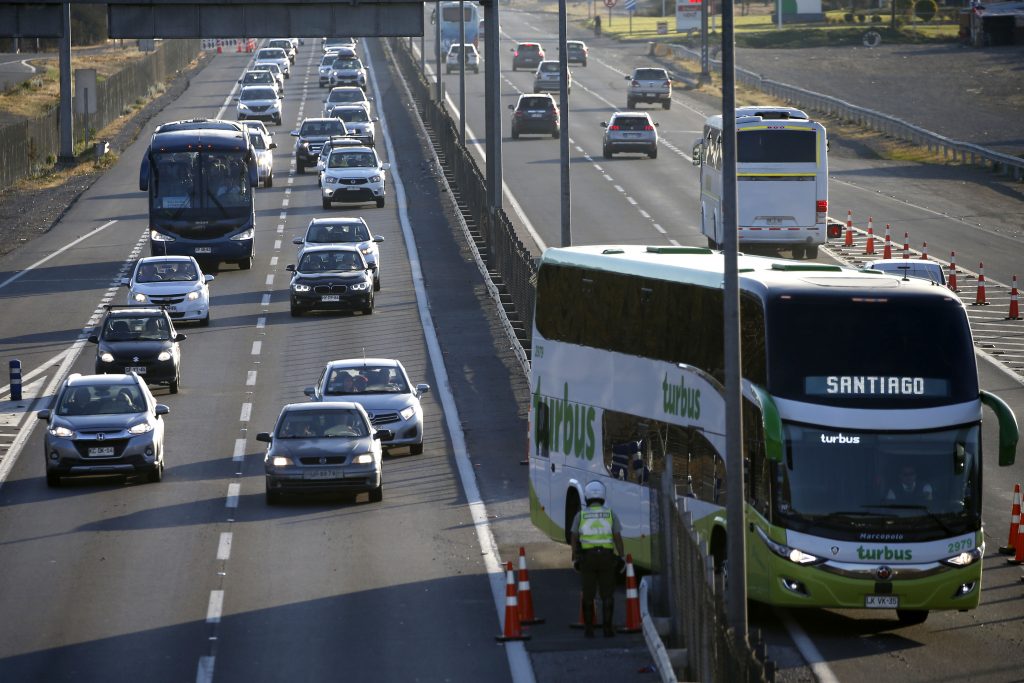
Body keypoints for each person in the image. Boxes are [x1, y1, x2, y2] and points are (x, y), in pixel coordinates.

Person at [570, 481, 625, 638]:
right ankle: (607, 629)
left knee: (588, 594)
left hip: (587, 558)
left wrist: (574, 555)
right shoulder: (610, 514)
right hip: (606, 557)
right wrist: (621, 555)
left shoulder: (581, 515)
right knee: (607, 594)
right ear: (602, 497)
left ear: (587, 497)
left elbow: (574, 535)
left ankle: (589, 629)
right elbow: (617, 537)